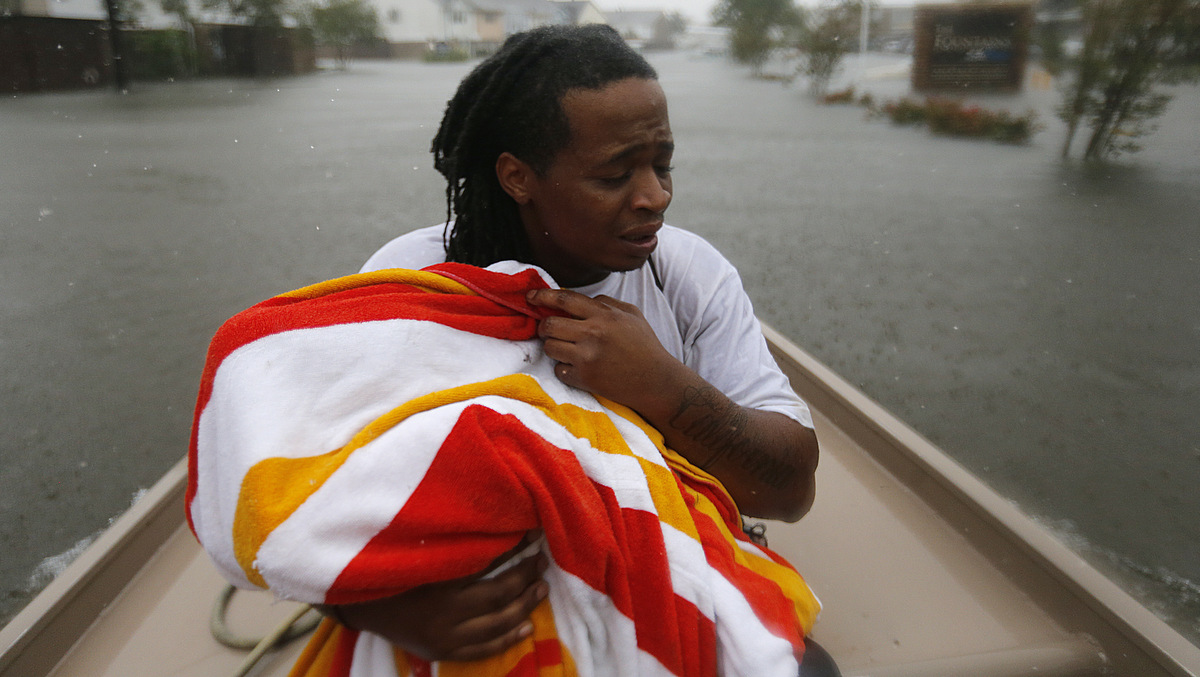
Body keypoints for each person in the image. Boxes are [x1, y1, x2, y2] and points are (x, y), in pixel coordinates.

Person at [332, 24, 834, 675]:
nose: (655, 196)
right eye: (615, 173)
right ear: (517, 176)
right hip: (489, 612)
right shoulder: (411, 283)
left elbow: (789, 490)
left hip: (665, 562)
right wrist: (374, 611)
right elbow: (307, 485)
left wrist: (660, 385)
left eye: (663, 163)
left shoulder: (689, 275)